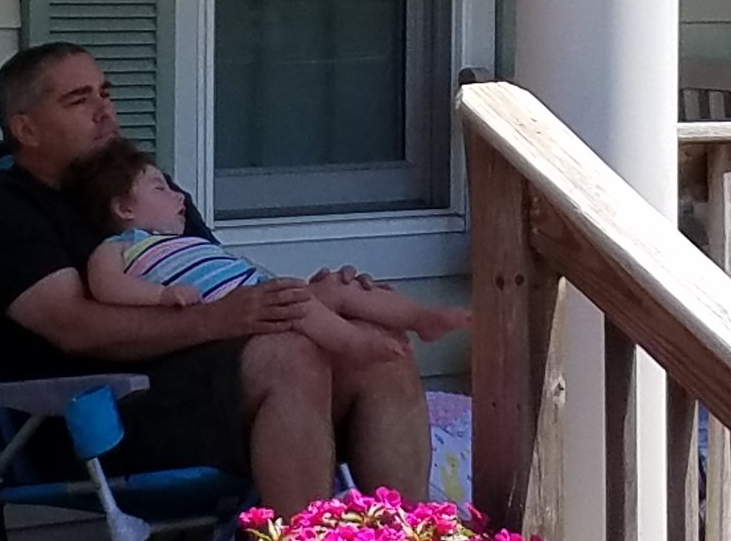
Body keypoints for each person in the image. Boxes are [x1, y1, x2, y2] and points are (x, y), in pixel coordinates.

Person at [0, 42, 432, 513]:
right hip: (98, 420)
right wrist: (219, 322)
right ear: (26, 129)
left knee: (379, 349)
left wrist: (317, 300)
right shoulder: (5, 212)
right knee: (288, 355)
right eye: (79, 100)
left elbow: (223, 289)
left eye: (105, 93)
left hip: (207, 389)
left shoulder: (138, 188)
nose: (105, 112)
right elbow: (76, 327)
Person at [65, 137, 469, 369]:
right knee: (300, 307)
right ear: (123, 208)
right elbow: (106, 288)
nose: (177, 195)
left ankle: (422, 317)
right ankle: (353, 345)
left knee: (336, 287)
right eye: (159, 188)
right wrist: (161, 297)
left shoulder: (187, 241)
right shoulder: (119, 248)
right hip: (233, 318)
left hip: (261, 292)